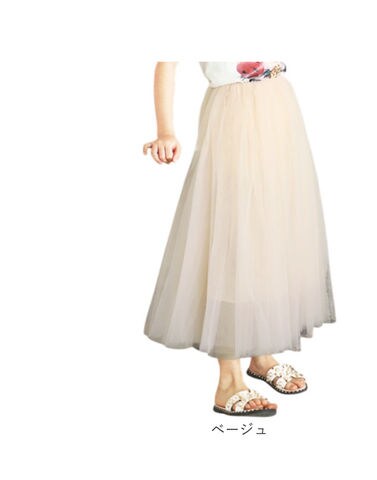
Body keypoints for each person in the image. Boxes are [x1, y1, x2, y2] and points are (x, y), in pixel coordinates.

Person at [142, 61, 336, 417]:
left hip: (279, 106)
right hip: (231, 115)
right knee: (232, 234)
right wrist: (165, 130)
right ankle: (229, 378)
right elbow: (167, 59)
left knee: (271, 232)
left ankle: (262, 354)